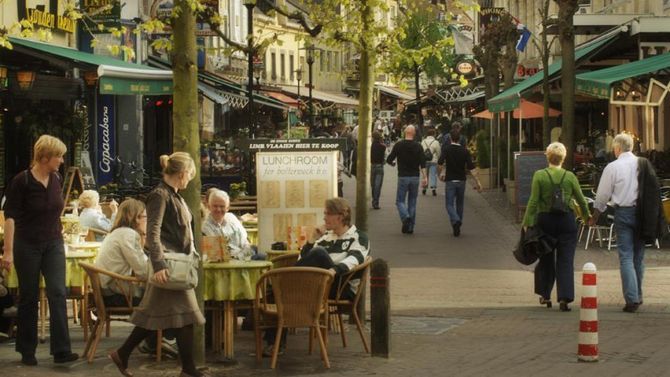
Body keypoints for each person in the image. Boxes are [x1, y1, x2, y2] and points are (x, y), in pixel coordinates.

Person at [110, 152, 206, 377]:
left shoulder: (172, 195)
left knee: (160, 316)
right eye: (189, 175)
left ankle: (123, 354)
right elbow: (152, 233)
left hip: (173, 265)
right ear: (182, 174)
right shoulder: (160, 196)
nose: (189, 180)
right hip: (170, 267)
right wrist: (160, 264)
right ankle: (188, 370)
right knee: (186, 316)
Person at [1, 135, 78, 365]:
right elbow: (10, 218)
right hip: (27, 244)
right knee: (29, 296)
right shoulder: (21, 181)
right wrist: (8, 251)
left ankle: (61, 350)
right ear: (45, 157)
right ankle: (27, 350)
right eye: (59, 156)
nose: (62, 160)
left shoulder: (56, 178)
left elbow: (57, 209)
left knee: (58, 292)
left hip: (53, 242)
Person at [262, 197, 370, 355]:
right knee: (283, 293)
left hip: (339, 285)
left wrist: (333, 270)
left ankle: (279, 285)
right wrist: (312, 239)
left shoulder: (358, 236)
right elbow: (302, 260)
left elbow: (355, 259)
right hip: (317, 284)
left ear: (340, 216)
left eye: (327, 214)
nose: (324, 218)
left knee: (318, 254)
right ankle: (275, 345)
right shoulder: (325, 237)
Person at [590, 133, 659, 313]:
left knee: (626, 256)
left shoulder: (613, 167)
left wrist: (596, 215)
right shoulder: (643, 163)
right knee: (638, 256)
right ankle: (639, 294)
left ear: (618, 148)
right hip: (642, 213)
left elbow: (603, 195)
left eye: (614, 148)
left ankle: (632, 298)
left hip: (623, 213)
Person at [523, 142, 590, 312]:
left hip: (545, 221)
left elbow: (533, 201)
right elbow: (581, 199)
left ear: (547, 156)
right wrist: (586, 216)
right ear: (564, 157)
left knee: (546, 258)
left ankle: (545, 296)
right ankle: (565, 298)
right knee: (566, 260)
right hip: (566, 221)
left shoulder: (539, 175)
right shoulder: (570, 177)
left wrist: (527, 222)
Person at [95, 198, 148, 307]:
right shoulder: (128, 235)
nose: (147, 221)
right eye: (145, 217)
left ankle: (142, 324)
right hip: (115, 294)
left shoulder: (117, 232)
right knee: (161, 296)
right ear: (136, 218)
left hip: (105, 291)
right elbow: (144, 271)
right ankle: (144, 324)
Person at [438, 129, 482, 237]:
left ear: (450, 138)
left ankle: (455, 220)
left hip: (450, 180)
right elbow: (471, 167)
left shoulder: (446, 149)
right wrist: (478, 182)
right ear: (460, 139)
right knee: (460, 203)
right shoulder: (465, 151)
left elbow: (440, 163)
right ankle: (457, 225)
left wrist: (440, 174)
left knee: (449, 204)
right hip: (462, 180)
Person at [386, 125, 428, 234]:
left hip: (403, 176)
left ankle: (405, 217)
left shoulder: (399, 145)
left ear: (405, 132)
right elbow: (423, 163)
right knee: (412, 202)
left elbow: (389, 159)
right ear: (414, 133)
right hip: (415, 176)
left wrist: (393, 163)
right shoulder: (418, 146)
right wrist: (425, 177)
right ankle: (410, 228)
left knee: (399, 201)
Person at [202, 189, 265, 261]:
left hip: (244, 257)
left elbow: (245, 243)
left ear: (227, 208)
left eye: (222, 206)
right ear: (209, 207)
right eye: (215, 206)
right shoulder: (204, 227)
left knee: (265, 256)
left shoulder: (232, 218)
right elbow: (216, 255)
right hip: (226, 263)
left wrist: (242, 255)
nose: (218, 209)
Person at [421, 129, 441, 196]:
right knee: (433, 174)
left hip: (424, 160)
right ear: (434, 134)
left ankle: (424, 188)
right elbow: (438, 152)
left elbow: (421, 151)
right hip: (433, 160)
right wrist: (439, 159)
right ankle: (433, 188)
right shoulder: (436, 142)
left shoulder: (423, 141)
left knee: (425, 175)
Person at [370, 131, 387, 209]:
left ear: (372, 138)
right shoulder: (383, 146)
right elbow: (385, 158)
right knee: (377, 185)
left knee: (373, 185)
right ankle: (375, 202)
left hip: (371, 166)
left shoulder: (369, 146)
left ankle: (374, 199)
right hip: (380, 167)